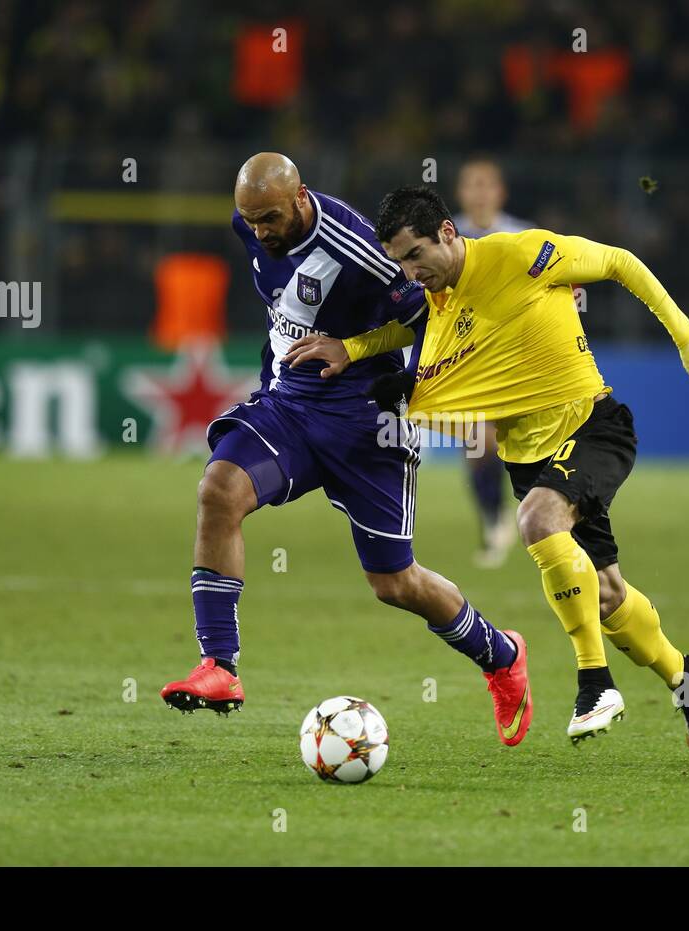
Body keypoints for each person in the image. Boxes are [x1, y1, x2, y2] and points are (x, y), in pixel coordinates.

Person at [285, 186, 689, 761]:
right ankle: (684, 676)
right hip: (525, 455)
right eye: (398, 260)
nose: (409, 271)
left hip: (591, 425)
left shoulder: (523, 254)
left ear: (448, 232)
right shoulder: (438, 296)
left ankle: (594, 684)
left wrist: (688, 339)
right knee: (606, 595)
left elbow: (620, 263)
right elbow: (408, 329)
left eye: (416, 254)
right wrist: (353, 346)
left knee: (537, 520)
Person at [160, 156, 533, 748]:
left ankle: (501, 654)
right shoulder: (252, 225)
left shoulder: (359, 247)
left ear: (301, 198)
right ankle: (220, 667)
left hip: (365, 424)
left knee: (394, 582)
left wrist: (353, 349)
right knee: (218, 490)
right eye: (250, 220)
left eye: (271, 218)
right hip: (290, 406)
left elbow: (428, 318)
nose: (259, 231)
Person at [453, 157, 535, 568]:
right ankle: (493, 522)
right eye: (472, 185)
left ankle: (544, 524)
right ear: (461, 193)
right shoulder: (446, 239)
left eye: (487, 185)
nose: (480, 193)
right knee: (478, 444)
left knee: (532, 449)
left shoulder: (521, 236)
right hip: (470, 364)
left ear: (500, 192)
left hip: (521, 360)